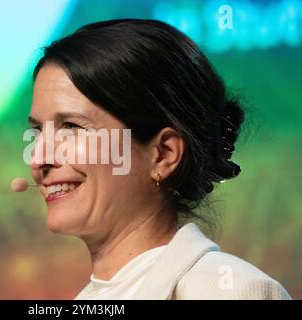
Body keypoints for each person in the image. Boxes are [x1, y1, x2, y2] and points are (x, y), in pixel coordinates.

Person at [28, 19, 291, 299]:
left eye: (72, 128)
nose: (38, 159)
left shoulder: (229, 291)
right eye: (37, 131)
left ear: (164, 155)